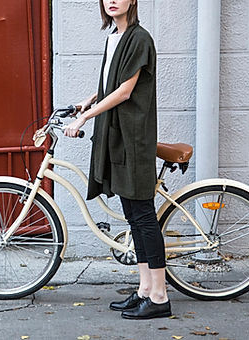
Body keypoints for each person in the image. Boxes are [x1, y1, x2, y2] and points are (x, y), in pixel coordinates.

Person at [64, 0, 171, 319]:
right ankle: (144, 290)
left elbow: (125, 91)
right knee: (133, 215)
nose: (111, 0)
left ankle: (161, 296)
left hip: (134, 139)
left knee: (143, 214)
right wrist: (87, 101)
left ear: (133, 1)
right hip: (118, 136)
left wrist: (86, 118)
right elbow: (111, 84)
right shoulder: (114, 36)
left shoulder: (139, 39)